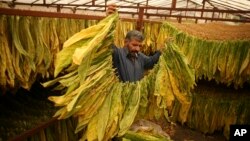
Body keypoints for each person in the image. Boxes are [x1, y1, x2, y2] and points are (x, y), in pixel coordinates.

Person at [107, 4, 161, 82]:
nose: (137, 49)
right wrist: (109, 20)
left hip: (136, 93)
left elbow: (151, 61)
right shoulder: (117, 54)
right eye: (134, 45)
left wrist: (161, 51)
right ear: (126, 42)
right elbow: (107, 43)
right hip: (122, 93)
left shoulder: (140, 56)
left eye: (140, 46)